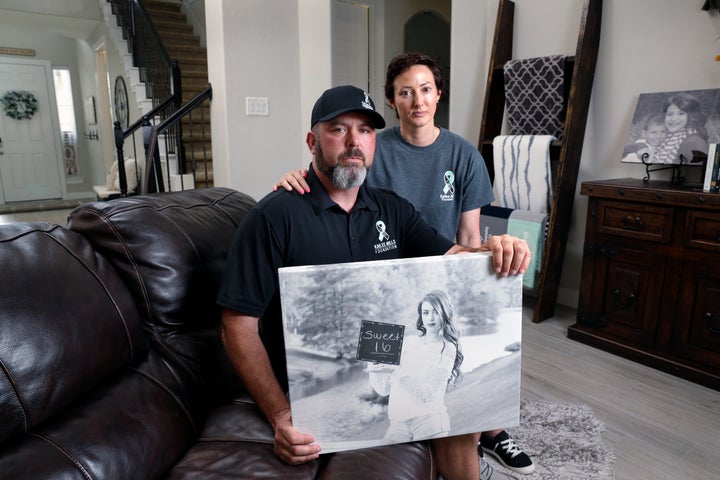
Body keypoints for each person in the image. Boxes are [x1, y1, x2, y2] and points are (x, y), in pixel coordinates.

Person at [218, 84, 530, 480]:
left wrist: (496, 247)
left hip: (386, 350)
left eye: (365, 131)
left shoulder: (393, 209)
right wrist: (280, 414)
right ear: (313, 141)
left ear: (374, 143)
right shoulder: (273, 217)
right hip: (305, 380)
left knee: (455, 415)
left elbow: (455, 260)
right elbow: (236, 326)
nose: (354, 142)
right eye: (339, 130)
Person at [366, 290, 463, 442]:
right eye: (425, 312)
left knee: (426, 466)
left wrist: (397, 371)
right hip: (398, 423)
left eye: (435, 312)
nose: (430, 318)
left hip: (429, 422)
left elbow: (426, 393)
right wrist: (375, 362)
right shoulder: (409, 342)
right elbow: (383, 389)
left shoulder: (447, 347)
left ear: (444, 313)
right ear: (421, 315)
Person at [653, 92, 709, 164]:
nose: (674, 119)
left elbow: (696, 173)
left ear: (691, 116)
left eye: (681, 113)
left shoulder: (693, 142)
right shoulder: (668, 139)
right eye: (670, 114)